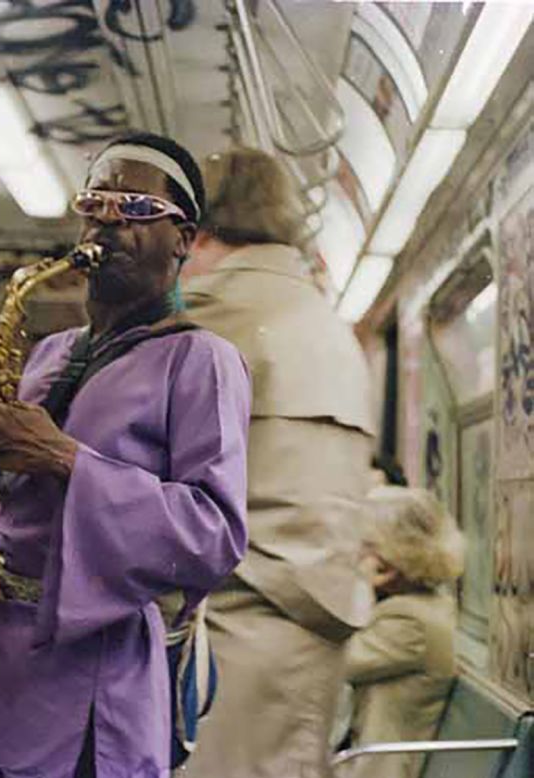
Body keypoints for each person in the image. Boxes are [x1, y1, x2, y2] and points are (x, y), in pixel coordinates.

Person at [0, 131, 252, 777]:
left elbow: (215, 538)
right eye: (96, 203)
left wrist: (66, 460)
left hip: (89, 684)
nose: (109, 222)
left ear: (184, 239)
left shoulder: (202, 361)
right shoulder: (50, 351)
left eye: (137, 209)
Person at [179, 147, 376, 778]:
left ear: (200, 230)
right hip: (305, 619)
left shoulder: (215, 310)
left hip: (235, 617)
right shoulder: (322, 318)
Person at [343, 487, 464, 778]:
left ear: (393, 552)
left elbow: (335, 664)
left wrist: (358, 583)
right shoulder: (424, 606)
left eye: (366, 544)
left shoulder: (411, 622)